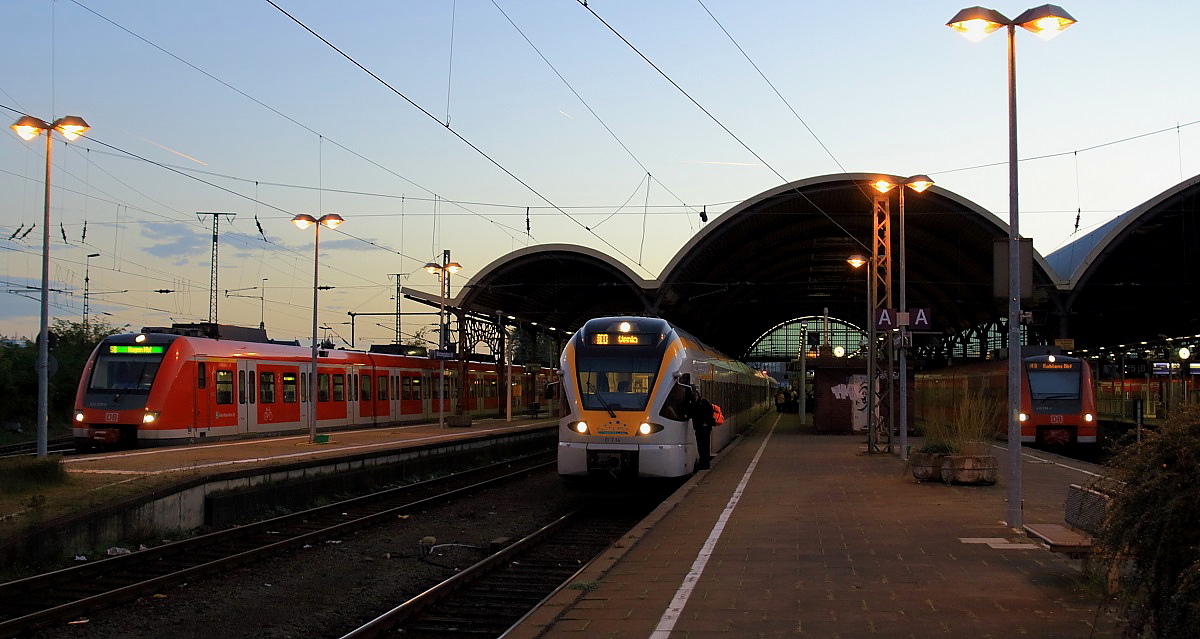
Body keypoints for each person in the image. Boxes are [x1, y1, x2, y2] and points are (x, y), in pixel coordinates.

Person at [687, 390, 716, 470]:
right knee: (703, 446)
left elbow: (691, 414)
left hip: (703, 428)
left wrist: (705, 422)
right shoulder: (698, 403)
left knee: (702, 446)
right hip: (701, 428)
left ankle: (705, 463)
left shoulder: (701, 403)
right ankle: (704, 463)